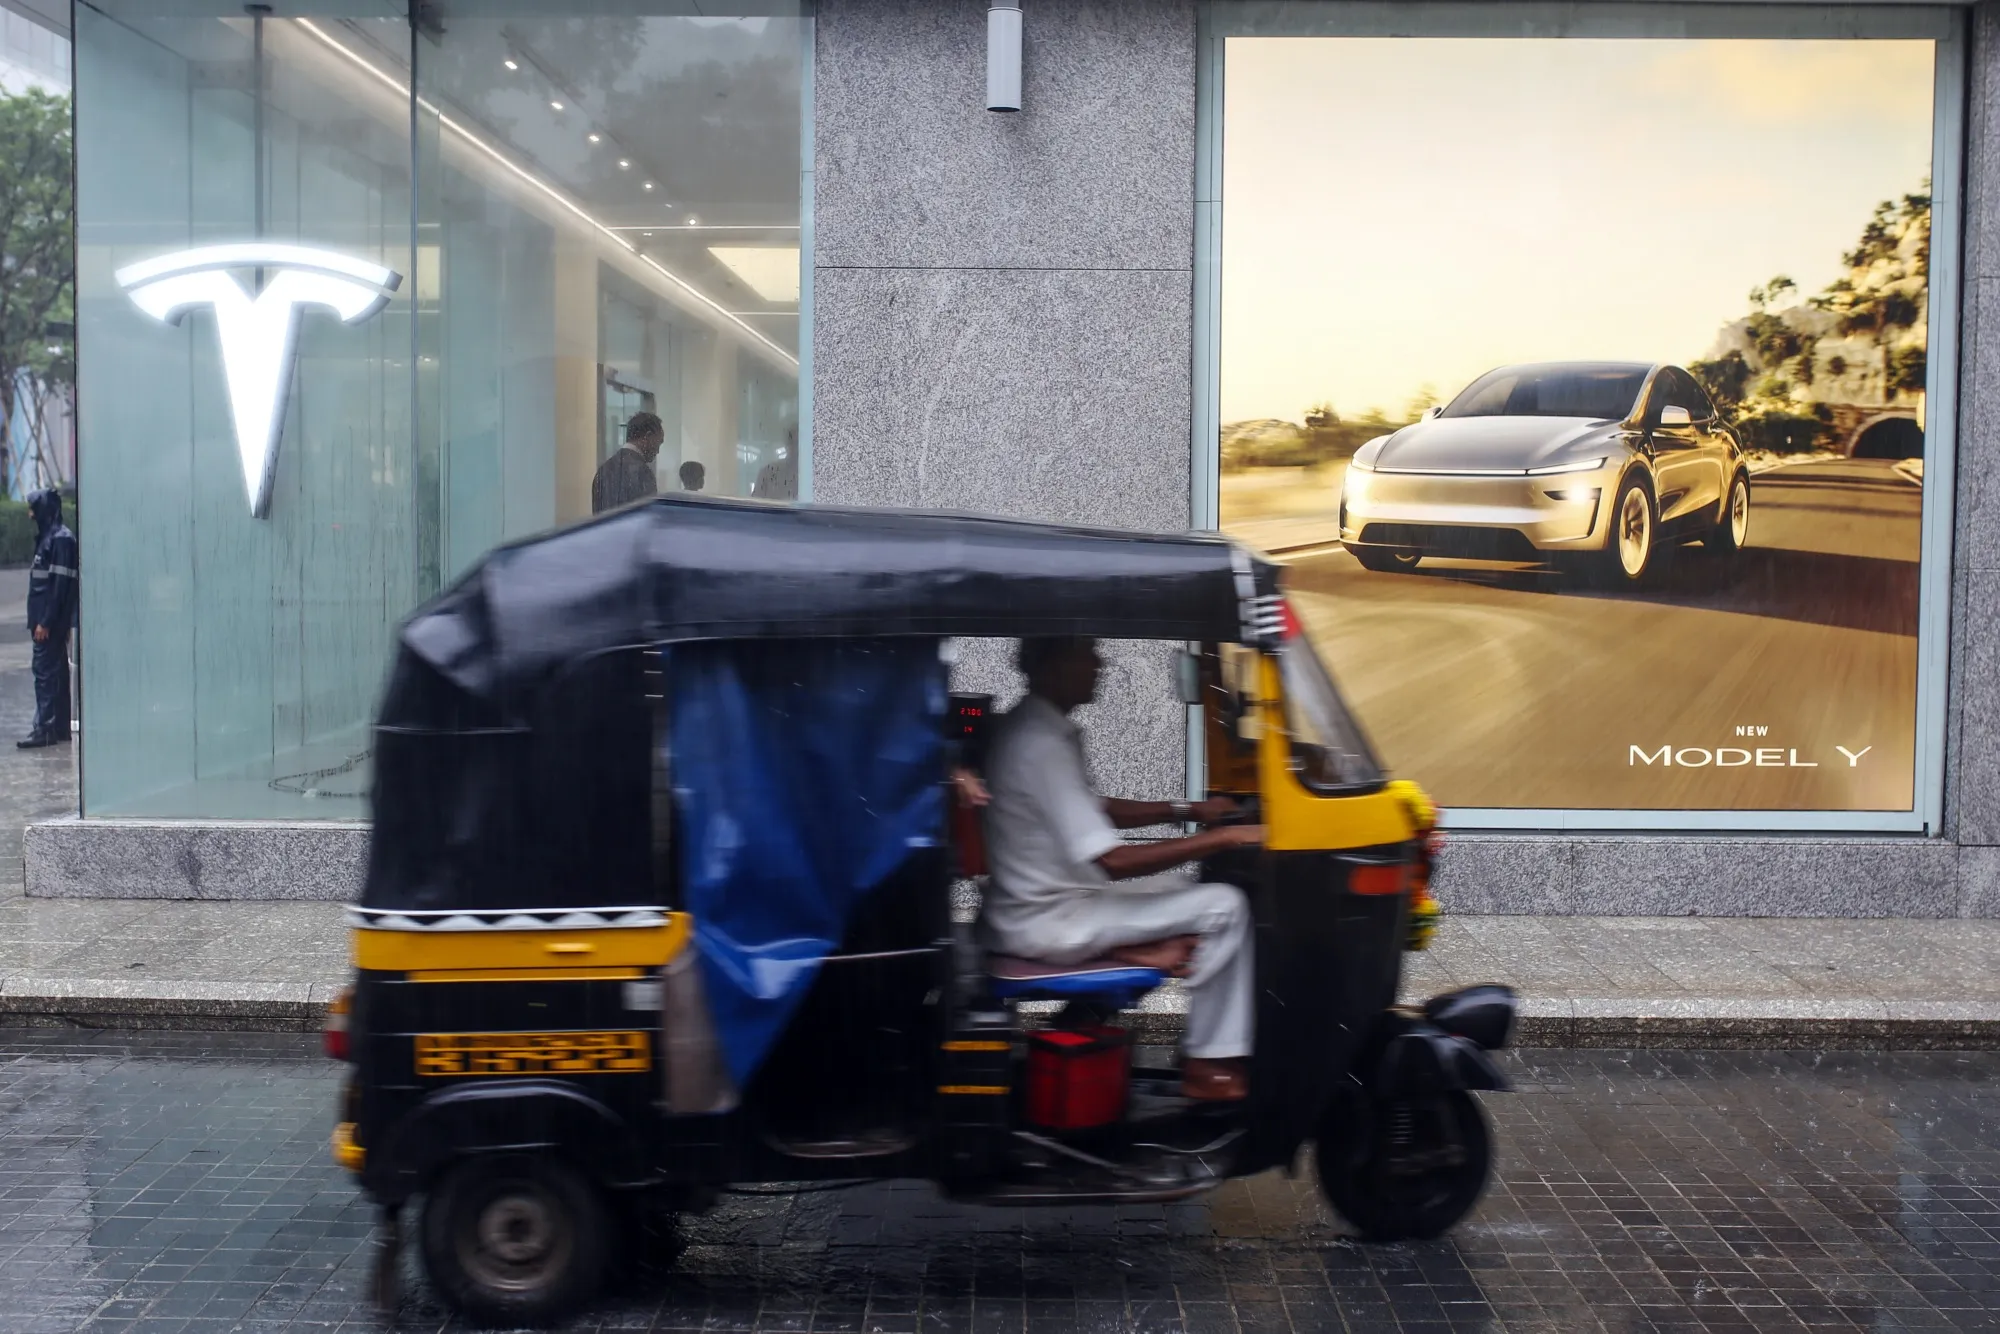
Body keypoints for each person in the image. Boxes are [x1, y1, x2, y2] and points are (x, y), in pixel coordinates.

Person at [979, 636, 1265, 1101]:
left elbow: (1098, 809)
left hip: (1040, 906)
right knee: (1226, 906)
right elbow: (1113, 862)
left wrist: (1190, 810)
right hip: (1049, 920)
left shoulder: (1036, 727)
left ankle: (1129, 967)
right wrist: (1226, 838)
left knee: (1182, 883)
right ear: (1050, 665)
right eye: (1085, 653)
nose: (1100, 663)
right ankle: (1209, 1063)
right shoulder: (1040, 745)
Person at [19, 489, 76, 749]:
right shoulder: (50, 538)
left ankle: (45, 728)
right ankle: (58, 727)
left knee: (45, 674)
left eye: (34, 509)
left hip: (47, 624)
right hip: (45, 621)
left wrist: (46, 621)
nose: (30, 515)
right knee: (56, 673)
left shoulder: (60, 540)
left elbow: (58, 587)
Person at [591, 412, 664, 514]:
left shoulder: (603, 470)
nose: (658, 451)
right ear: (648, 437)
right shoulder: (643, 473)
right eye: (658, 443)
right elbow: (647, 517)